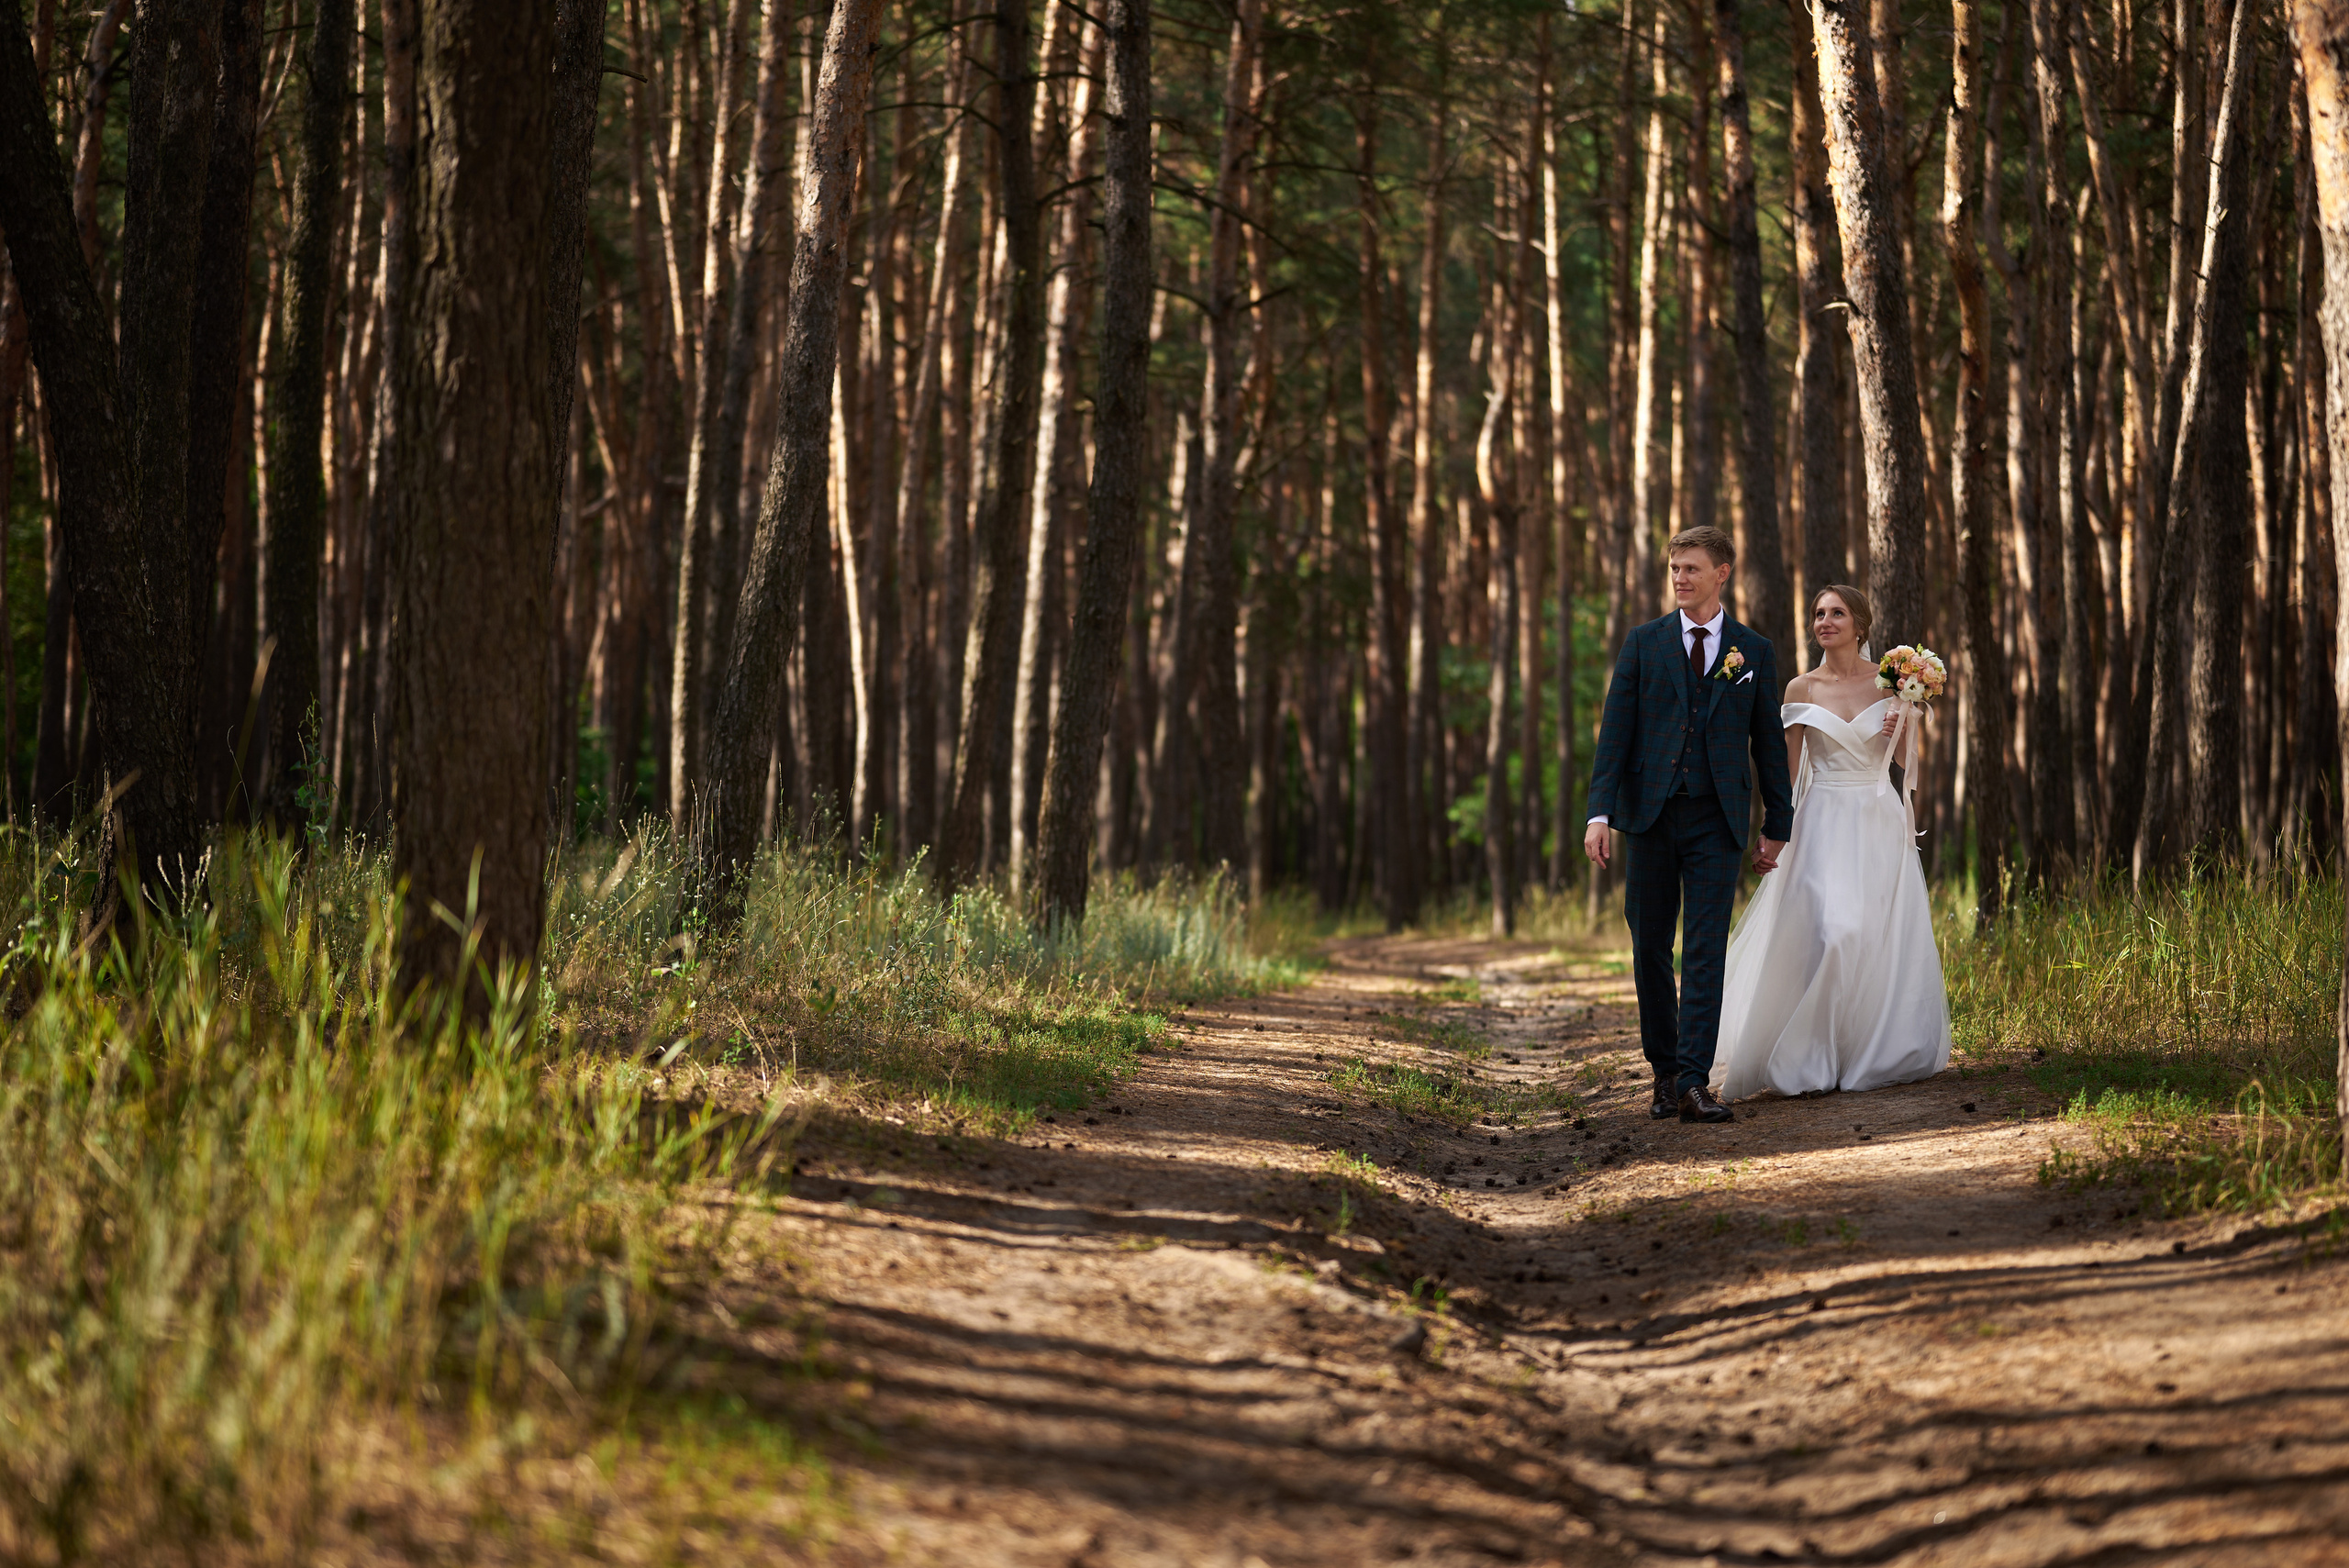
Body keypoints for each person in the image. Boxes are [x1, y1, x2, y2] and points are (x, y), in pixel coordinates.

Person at [1583, 527, 1795, 1125]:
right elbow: (1614, 736)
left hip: (1717, 819)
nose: (1680, 577)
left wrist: (1777, 821)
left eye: (1692, 568)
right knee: (1651, 944)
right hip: (1649, 817)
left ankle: (1697, 1081)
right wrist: (1600, 814)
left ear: (1722, 572)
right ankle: (1665, 1071)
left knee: (1705, 948)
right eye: (1675, 567)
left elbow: (1769, 746)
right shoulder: (1643, 643)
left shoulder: (1752, 651)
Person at [1709, 584, 1953, 1099]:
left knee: (1870, 934)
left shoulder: (1893, 685)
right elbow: (1787, 772)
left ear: (1860, 625)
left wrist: (1901, 725)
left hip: (1875, 817)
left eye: (1837, 613)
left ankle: (1864, 1050)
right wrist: (1775, 834)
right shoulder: (1801, 688)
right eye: (1819, 613)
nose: (1825, 621)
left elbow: (1907, 766)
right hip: (1820, 821)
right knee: (1832, 934)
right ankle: (1808, 1058)